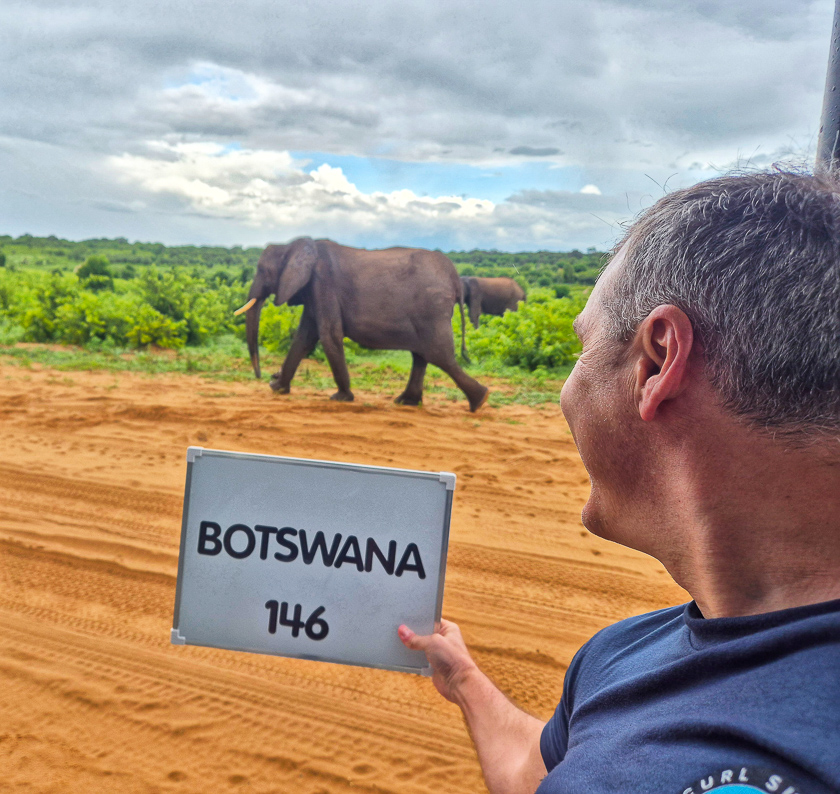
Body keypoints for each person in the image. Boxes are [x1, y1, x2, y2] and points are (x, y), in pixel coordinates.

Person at [398, 170, 840, 794]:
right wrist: (466, 681)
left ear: (657, 361)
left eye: (583, 349)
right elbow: (540, 775)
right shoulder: (621, 656)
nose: (567, 390)